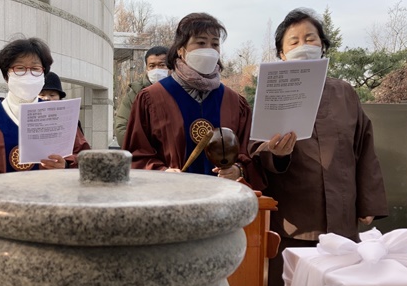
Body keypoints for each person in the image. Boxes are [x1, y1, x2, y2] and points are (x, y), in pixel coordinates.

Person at [256, 8, 388, 286]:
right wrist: (275, 154)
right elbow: (255, 152)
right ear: (281, 53)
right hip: (293, 222)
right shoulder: (272, 93)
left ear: (323, 46)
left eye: (310, 38)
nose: (304, 45)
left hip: (342, 221)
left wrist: (368, 203)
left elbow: (364, 146)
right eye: (294, 41)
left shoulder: (344, 93)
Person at [122, 12, 292, 187]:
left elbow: (249, 156)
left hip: (223, 206)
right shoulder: (152, 98)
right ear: (181, 50)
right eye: (201, 43)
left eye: (215, 44)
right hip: (169, 202)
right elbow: (136, 155)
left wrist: (238, 170)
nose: (209, 50)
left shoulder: (234, 102)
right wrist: (162, 173)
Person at [0, 37, 90, 185]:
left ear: (43, 75)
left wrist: (66, 165)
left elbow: (83, 157)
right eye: (19, 68)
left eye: (35, 69)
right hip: (1, 204)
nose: (28, 75)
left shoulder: (58, 116)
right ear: (7, 75)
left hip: (50, 201)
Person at [114, 45, 169, 146]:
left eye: (162, 65)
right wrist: (144, 151)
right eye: (152, 66)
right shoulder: (134, 94)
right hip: (146, 157)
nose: (156, 70)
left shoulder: (181, 91)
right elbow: (121, 128)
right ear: (147, 68)